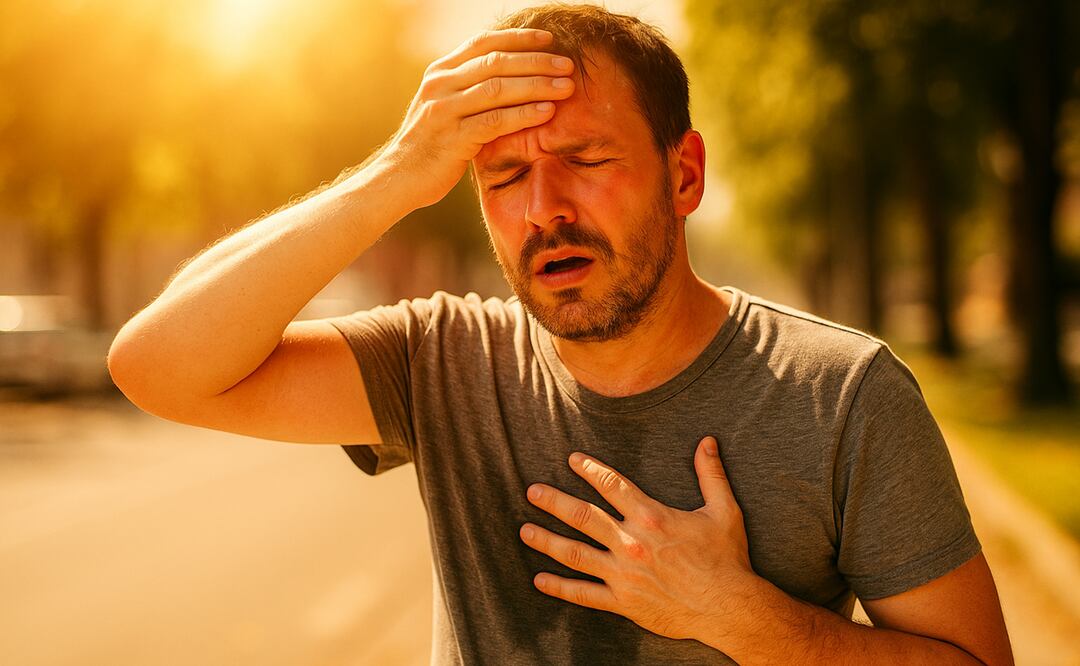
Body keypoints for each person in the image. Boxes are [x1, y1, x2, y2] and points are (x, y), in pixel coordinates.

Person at [108, 4, 1014, 664]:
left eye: (587, 161)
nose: (545, 210)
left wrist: (739, 616)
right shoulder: (443, 359)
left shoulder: (845, 393)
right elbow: (159, 367)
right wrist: (393, 173)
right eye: (503, 177)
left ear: (684, 173)